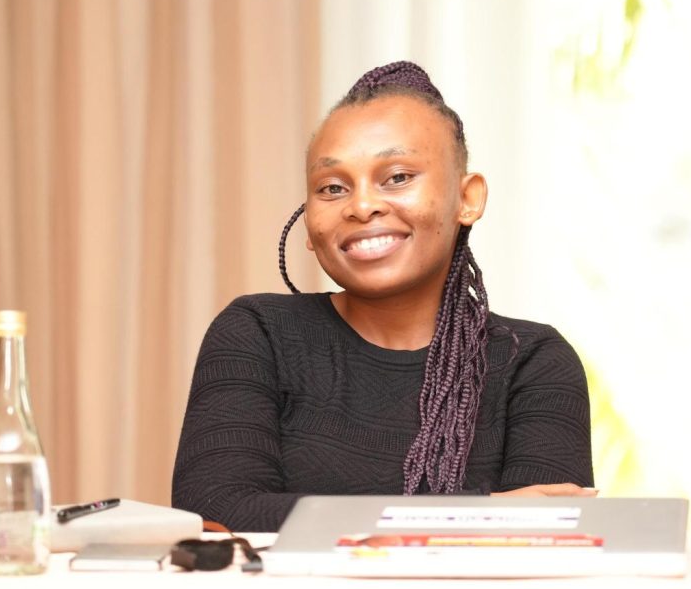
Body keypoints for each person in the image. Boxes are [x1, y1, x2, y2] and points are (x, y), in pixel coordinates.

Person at [172, 61, 594, 532]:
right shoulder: (258, 333)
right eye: (332, 188)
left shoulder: (532, 360)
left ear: (468, 199)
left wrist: (346, 520)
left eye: (397, 177)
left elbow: (544, 539)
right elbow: (216, 512)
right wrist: (478, 513)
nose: (361, 206)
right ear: (309, 222)